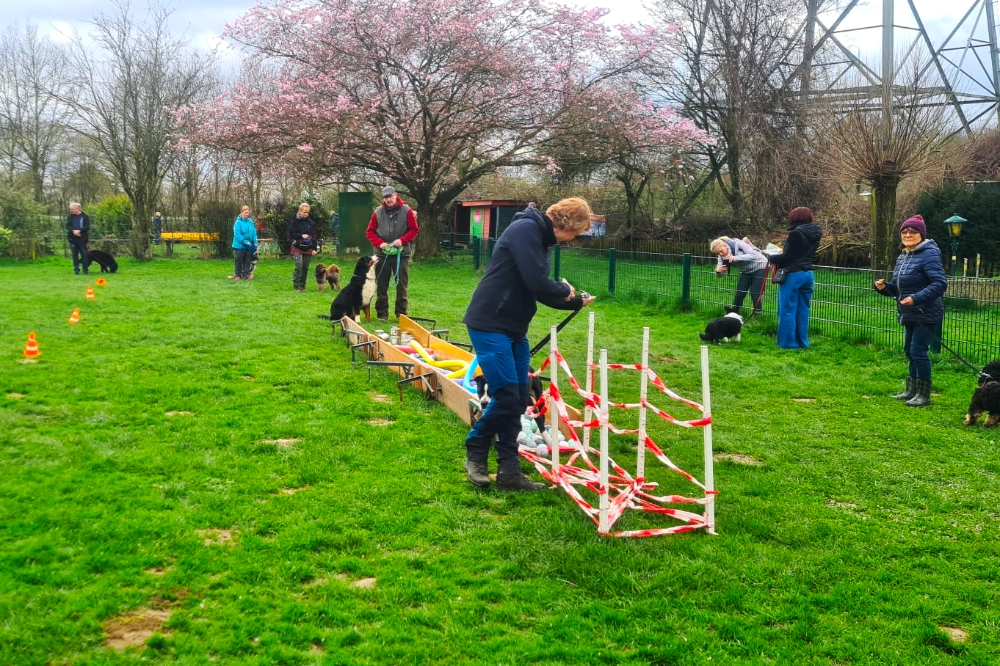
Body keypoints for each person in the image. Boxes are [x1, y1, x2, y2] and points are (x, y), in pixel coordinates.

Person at [462, 197, 597, 491]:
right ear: (565, 224)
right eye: (575, 233)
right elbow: (538, 282)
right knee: (508, 395)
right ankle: (476, 447)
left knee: (520, 394)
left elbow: (535, 289)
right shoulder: (525, 230)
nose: (572, 240)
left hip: (514, 328)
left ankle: (509, 472)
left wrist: (575, 302)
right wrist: (565, 288)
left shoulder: (541, 240)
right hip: (489, 322)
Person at [874, 215, 947, 407]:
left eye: (913, 232)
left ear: (921, 235)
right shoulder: (903, 256)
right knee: (909, 350)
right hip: (909, 312)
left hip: (926, 312)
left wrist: (917, 298)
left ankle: (924, 395)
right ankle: (911, 390)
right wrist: (884, 288)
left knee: (919, 351)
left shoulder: (929, 254)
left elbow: (940, 283)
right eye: (904, 231)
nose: (908, 234)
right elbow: (900, 290)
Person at [766, 207, 823, 349]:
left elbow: (788, 257)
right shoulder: (816, 232)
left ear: (795, 218)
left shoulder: (795, 234)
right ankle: (802, 342)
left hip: (793, 275)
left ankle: (787, 343)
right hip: (808, 273)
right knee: (803, 309)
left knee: (787, 310)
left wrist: (772, 257)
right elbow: (801, 253)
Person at [366, 186, 419, 321]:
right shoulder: (378, 212)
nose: (388, 199)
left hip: (402, 254)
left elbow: (414, 229)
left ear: (395, 195)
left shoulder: (406, 210)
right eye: (386, 197)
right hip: (382, 255)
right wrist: (380, 243)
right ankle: (382, 314)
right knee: (382, 285)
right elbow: (370, 232)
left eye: (390, 196)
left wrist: (403, 240)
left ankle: (401, 314)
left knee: (402, 284)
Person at [710, 236, 769, 315]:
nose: (720, 254)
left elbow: (753, 255)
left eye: (721, 251)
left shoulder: (738, 244)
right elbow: (720, 274)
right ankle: (734, 313)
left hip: (760, 265)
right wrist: (717, 271)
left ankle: (758, 314)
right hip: (745, 270)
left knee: (755, 292)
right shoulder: (722, 257)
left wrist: (736, 258)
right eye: (718, 253)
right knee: (740, 292)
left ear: (724, 245)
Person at [289, 202, 318, 292]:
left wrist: (314, 248)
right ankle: (296, 286)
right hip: (297, 246)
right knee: (298, 265)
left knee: (305, 267)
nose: (306, 214)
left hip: (308, 247)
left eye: (307, 212)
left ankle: (302, 286)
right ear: (300, 211)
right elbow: (291, 234)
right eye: (304, 212)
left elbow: (314, 236)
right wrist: (302, 235)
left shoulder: (311, 223)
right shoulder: (294, 222)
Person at [232, 205, 258, 281]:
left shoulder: (250, 222)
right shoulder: (238, 222)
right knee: (239, 260)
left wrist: (255, 242)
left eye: (248, 212)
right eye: (245, 212)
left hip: (249, 245)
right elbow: (237, 234)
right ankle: (237, 275)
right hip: (239, 245)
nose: (247, 214)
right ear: (242, 212)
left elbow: (254, 233)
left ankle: (246, 275)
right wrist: (245, 241)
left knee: (248, 260)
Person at [66, 202, 92, 275]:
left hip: (82, 239)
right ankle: (76, 270)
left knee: (84, 254)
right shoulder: (70, 217)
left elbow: (87, 226)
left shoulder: (85, 216)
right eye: (71, 209)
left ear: (78, 209)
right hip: (73, 239)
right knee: (75, 255)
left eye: (72, 209)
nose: (71, 211)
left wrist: (80, 231)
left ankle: (85, 270)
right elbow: (68, 226)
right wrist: (73, 231)